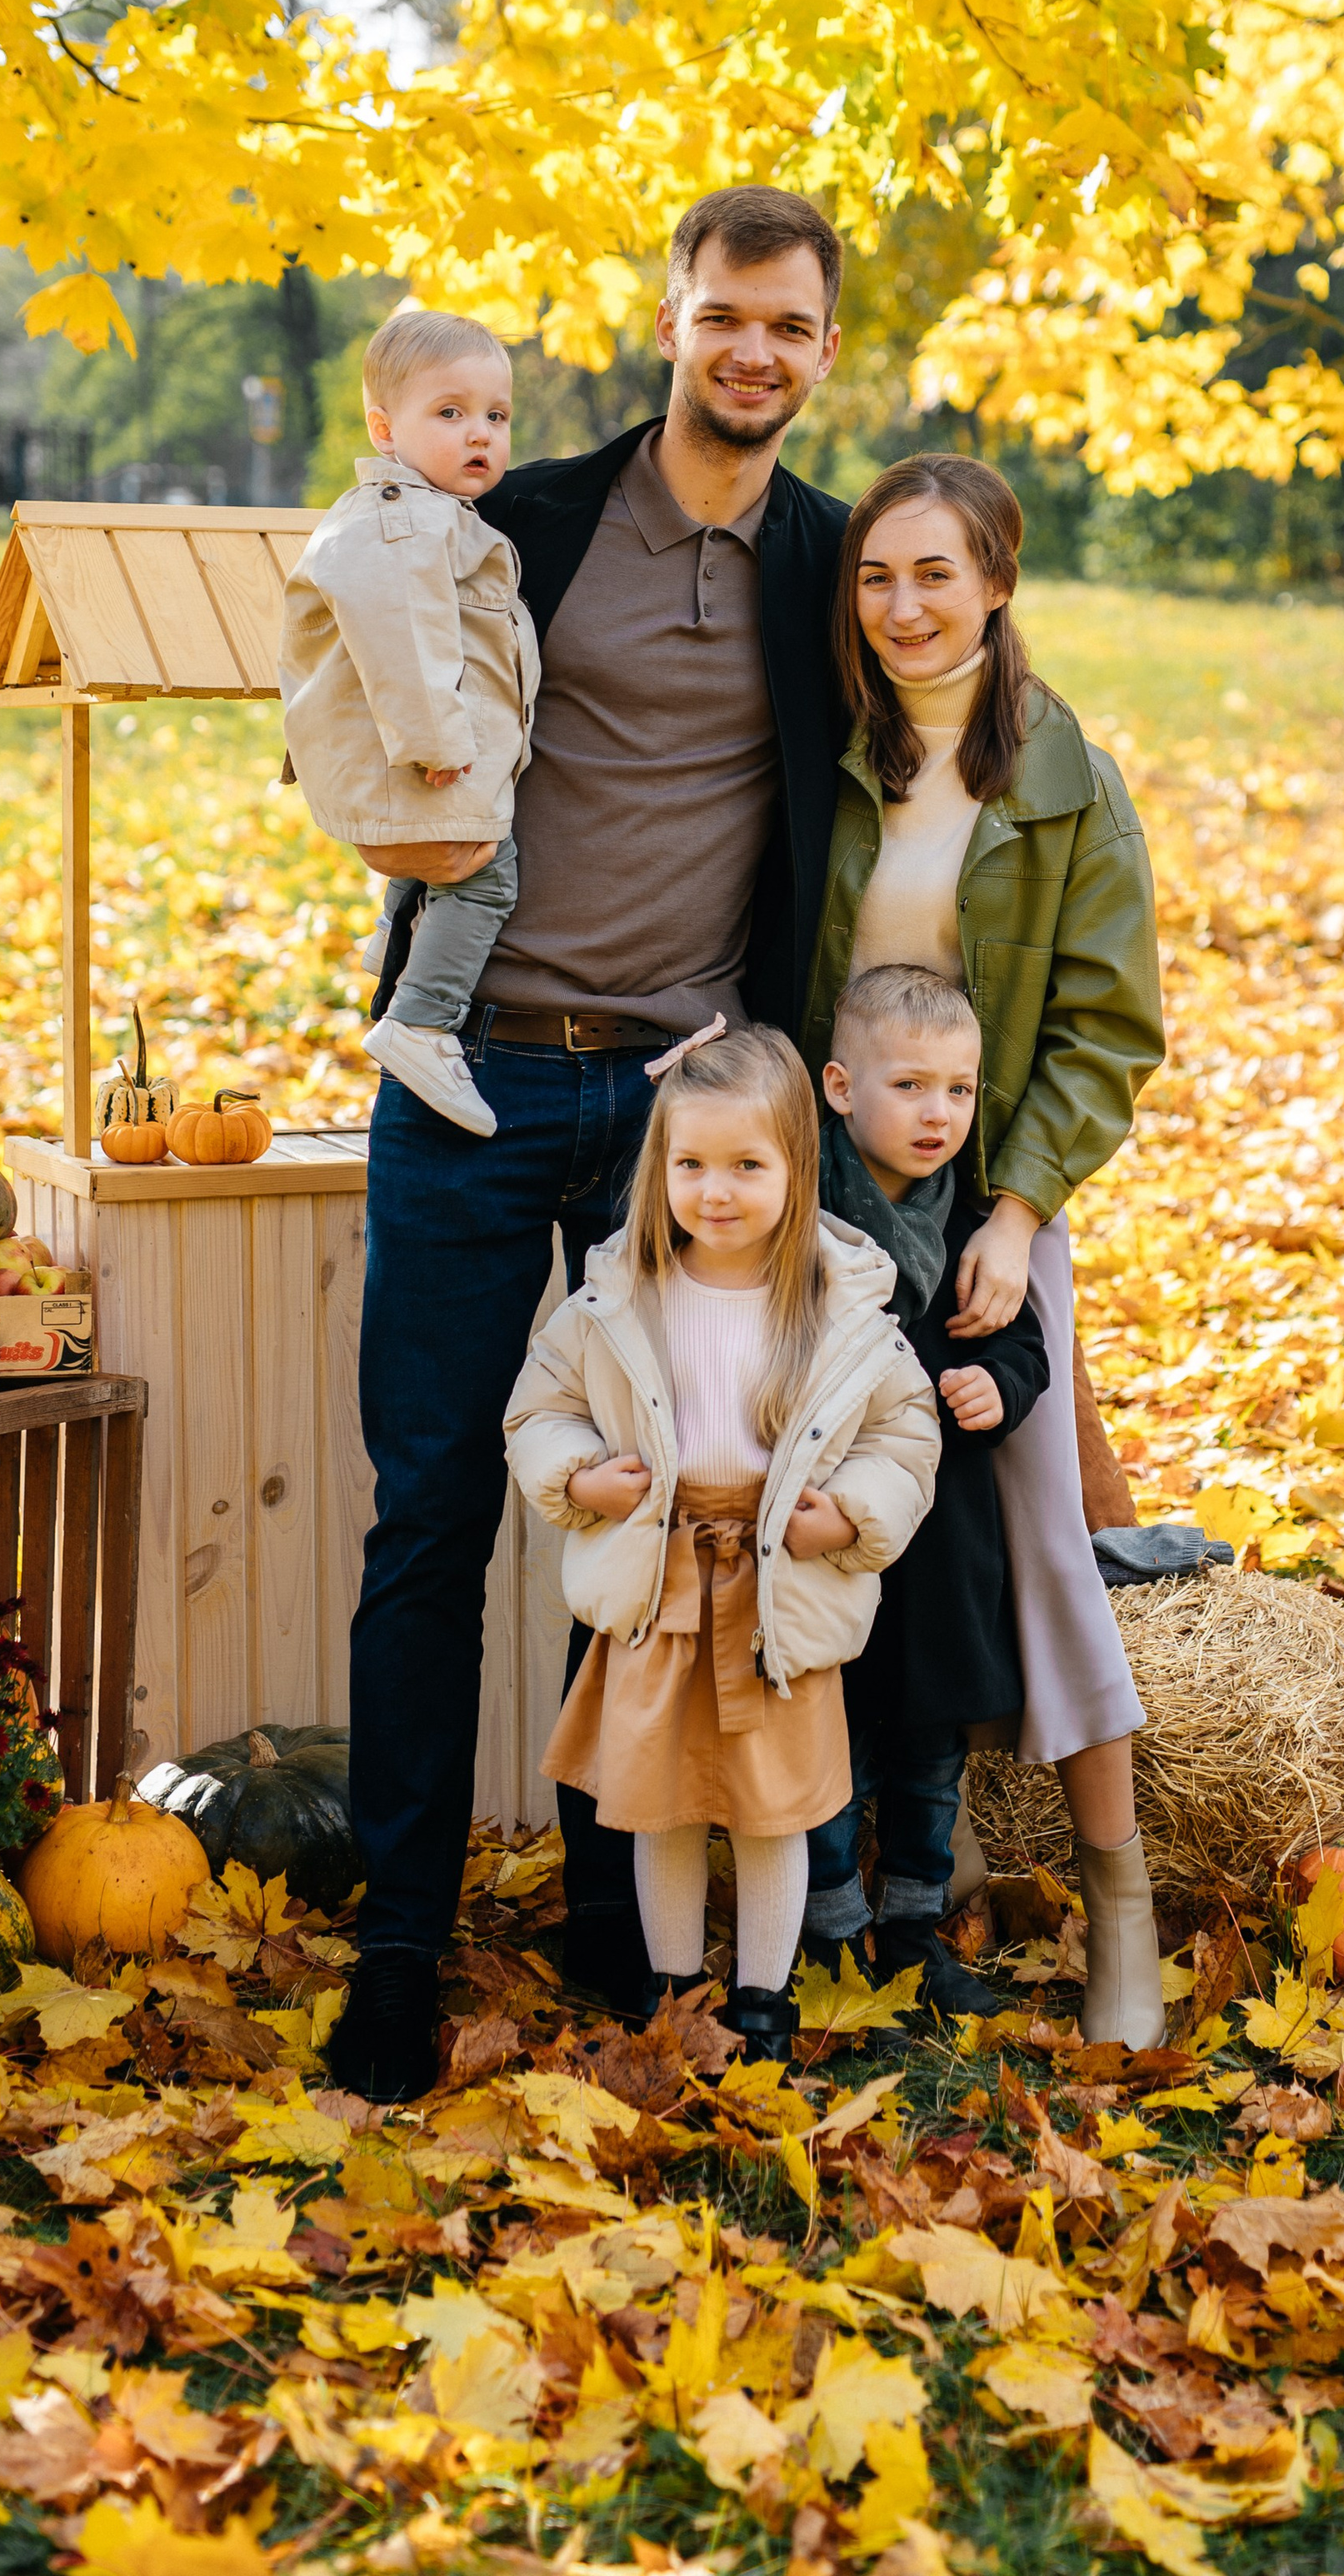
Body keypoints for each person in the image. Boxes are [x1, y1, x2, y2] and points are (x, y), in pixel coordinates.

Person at [333, 187, 852, 2104]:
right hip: (467, 1082)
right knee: (431, 1517)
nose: (752, 350)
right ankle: (396, 1937)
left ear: (818, 351)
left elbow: (934, 740)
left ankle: (612, 1915)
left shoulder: (824, 560)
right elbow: (376, 687)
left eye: (787, 327)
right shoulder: (526, 516)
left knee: (660, 1505)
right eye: (725, 314)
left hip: (672, 1119)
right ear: (670, 320)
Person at [799, 454, 1170, 2046]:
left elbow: (1106, 1029)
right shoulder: (827, 747)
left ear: (1000, 580)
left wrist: (1016, 1217)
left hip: (985, 1208)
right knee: (803, 1530)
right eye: (879, 575)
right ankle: (818, 1904)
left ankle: (1123, 1901)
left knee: (1034, 1546)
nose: (904, 605)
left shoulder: (1064, 776)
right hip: (813, 1207)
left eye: (937, 574)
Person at [504, 1024, 939, 2062]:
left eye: (748, 1164)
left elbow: (905, 1430)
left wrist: (853, 1513)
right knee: (662, 1807)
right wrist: (577, 1474)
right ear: (660, 1168)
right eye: (691, 1164)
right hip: (662, 1580)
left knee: (769, 1810)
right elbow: (541, 1407)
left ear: (798, 1163)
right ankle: (675, 1993)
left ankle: (761, 2000)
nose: (716, 1190)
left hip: (775, 1589)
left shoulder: (837, 1305)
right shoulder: (620, 1294)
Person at [805, 961, 1047, 2019]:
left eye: (958, 1088)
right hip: (834, 1527)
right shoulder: (803, 1212)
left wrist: (995, 1384)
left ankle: (913, 1928)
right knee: (826, 1744)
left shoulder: (974, 1225)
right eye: (910, 1086)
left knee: (926, 1750)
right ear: (841, 1086)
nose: (938, 1112)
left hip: (943, 1539)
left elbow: (1026, 1347)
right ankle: (827, 1935)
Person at [279, 311, 536, 1138]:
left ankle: (391, 933)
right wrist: (434, 742)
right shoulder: (404, 519)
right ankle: (422, 1021)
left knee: (441, 863)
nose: (480, 434)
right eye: (450, 412)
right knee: (487, 871)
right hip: (430, 756)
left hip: (431, 757)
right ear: (386, 430)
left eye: (495, 415)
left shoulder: (426, 513)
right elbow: (404, 637)